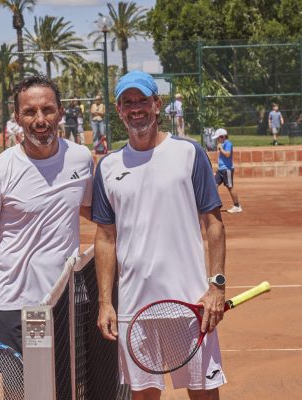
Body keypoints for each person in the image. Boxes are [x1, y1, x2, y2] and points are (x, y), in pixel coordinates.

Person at [92, 71, 226, 400]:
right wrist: (105, 302)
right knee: (143, 396)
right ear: (119, 110)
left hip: (191, 303)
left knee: (204, 393)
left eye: (142, 101)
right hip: (134, 308)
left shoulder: (189, 153)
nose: (135, 109)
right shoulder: (108, 167)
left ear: (157, 104)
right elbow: (105, 238)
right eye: (127, 103)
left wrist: (216, 286)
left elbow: (214, 223)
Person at [0, 75, 94, 357]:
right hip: (15, 306)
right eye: (29, 112)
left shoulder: (81, 158)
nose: (40, 120)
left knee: (66, 390)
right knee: (21, 393)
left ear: (60, 112)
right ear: (17, 118)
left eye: (47, 109)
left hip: (65, 303)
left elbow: (87, 207)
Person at [212, 128, 242, 213]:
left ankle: (237, 206)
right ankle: (215, 204)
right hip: (220, 169)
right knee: (214, 184)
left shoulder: (228, 144)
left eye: (218, 138)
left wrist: (221, 148)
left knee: (230, 187)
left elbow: (228, 155)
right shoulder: (222, 144)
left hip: (227, 169)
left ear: (222, 137)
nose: (217, 140)